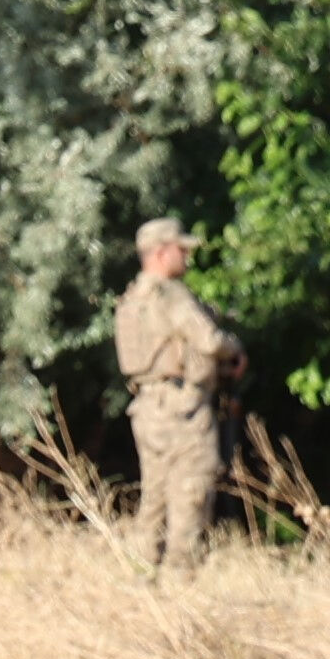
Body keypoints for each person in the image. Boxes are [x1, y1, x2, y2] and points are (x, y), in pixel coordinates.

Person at [115, 222, 242, 579]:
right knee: (192, 492)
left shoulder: (133, 297)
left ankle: (139, 578)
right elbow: (209, 341)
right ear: (160, 252)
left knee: (154, 498)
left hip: (147, 408)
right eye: (180, 249)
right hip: (182, 410)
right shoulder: (171, 295)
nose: (186, 255)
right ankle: (179, 581)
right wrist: (234, 349)